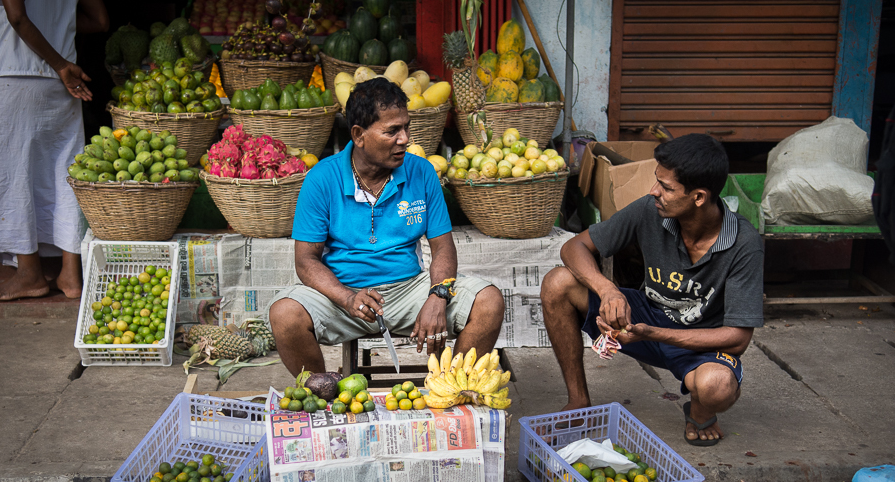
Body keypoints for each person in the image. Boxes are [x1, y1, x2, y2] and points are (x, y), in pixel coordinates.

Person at [267, 78, 505, 377]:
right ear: (359, 135)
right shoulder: (321, 179)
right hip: (344, 296)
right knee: (285, 313)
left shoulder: (422, 172)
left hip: (410, 289)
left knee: (489, 301)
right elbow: (305, 260)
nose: (404, 138)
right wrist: (346, 297)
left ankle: (454, 387)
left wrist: (438, 295)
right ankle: (322, 392)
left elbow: (442, 246)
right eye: (392, 131)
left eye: (406, 127)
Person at [540, 134, 764, 446]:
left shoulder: (744, 244)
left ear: (699, 197)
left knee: (717, 385)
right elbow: (574, 247)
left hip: (698, 343)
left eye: (667, 188)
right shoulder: (650, 210)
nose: (653, 192)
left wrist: (652, 334)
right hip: (643, 316)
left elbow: (738, 339)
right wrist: (608, 291)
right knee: (557, 283)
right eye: (656, 181)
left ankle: (700, 414)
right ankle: (579, 401)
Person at [0, 0, 109, 301]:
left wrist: (57, 62)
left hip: (17, 75)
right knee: (64, 174)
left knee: (15, 176)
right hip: (63, 84)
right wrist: (57, 29)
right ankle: (70, 275)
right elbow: (100, 20)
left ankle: (29, 273)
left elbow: (16, 16)